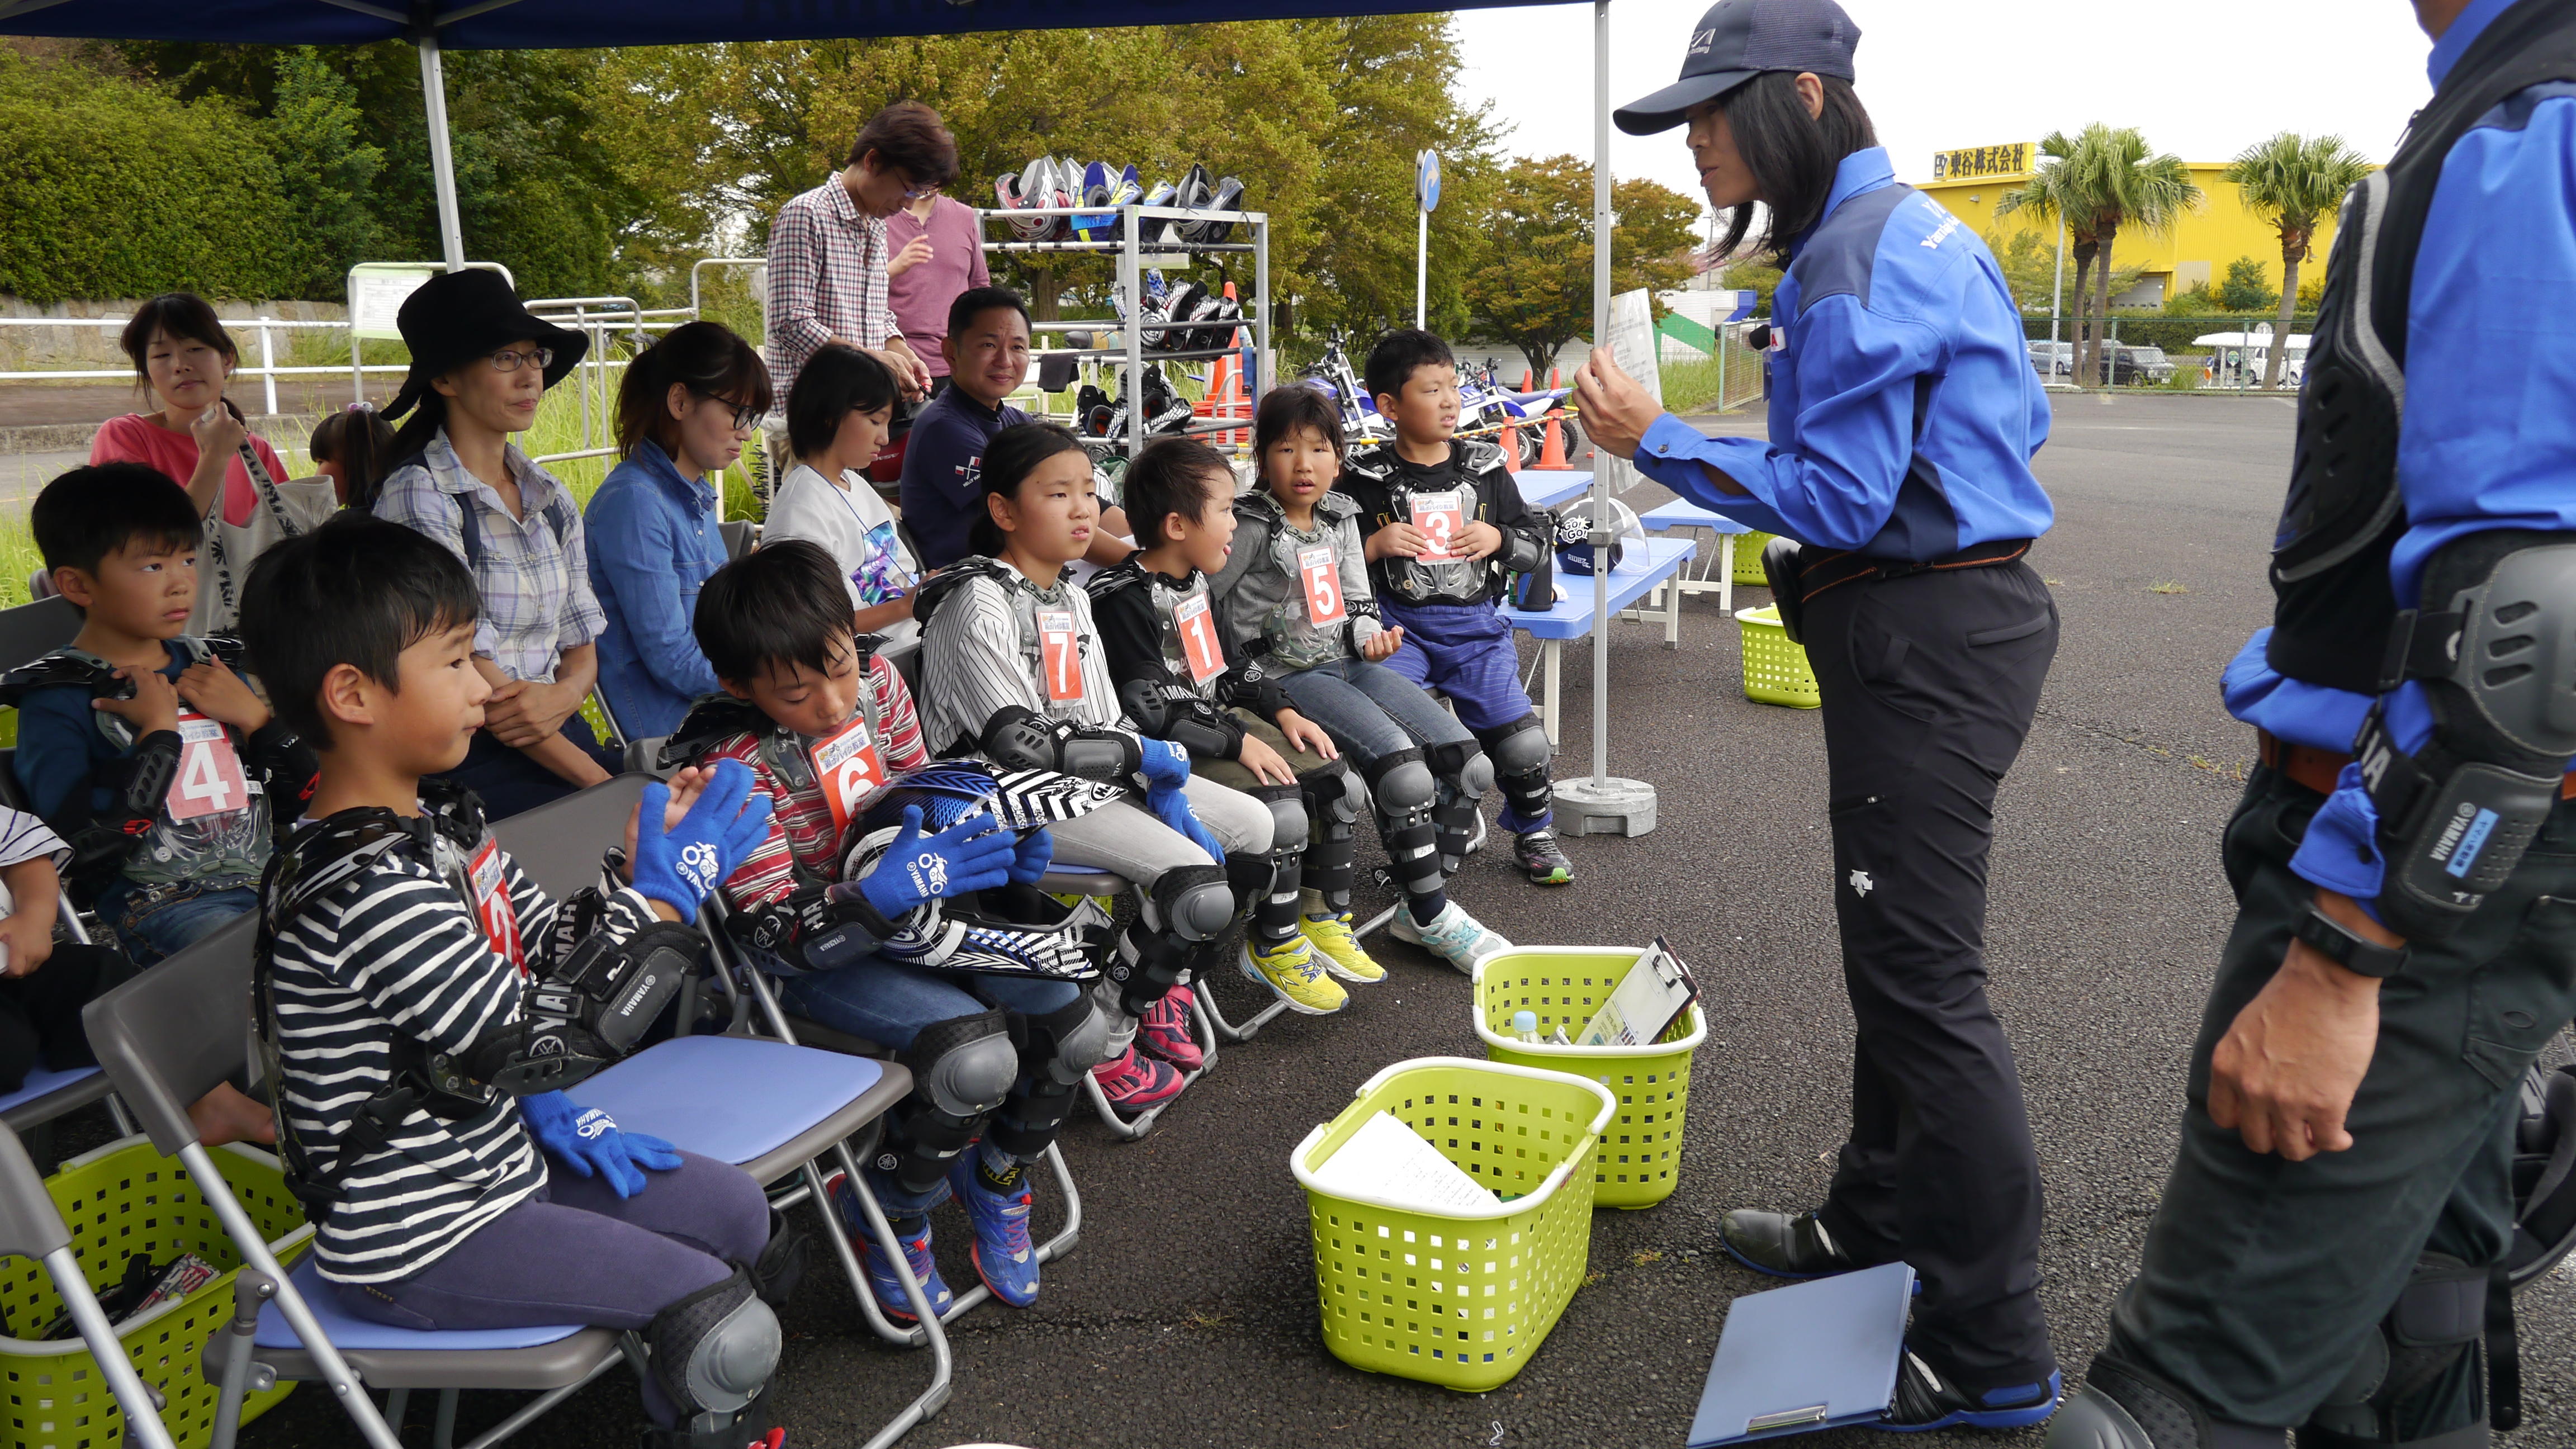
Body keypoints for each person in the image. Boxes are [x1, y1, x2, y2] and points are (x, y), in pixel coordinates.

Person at [2039, 4, 2576, 1447]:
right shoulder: (2500, 96)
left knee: (2167, 1407)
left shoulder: (2539, 114)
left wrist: (2348, 951)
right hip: (2456, 853)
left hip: (2425, 876)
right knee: (2417, 1324)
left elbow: (2536, 616)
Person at [1576, 0, 2062, 1427]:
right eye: (1686, 120)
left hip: (1919, 630)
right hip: (1949, 618)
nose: (1698, 142)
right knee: (1895, 965)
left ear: (1804, 93)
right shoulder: (1909, 231)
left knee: (1923, 986)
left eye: (1716, 113)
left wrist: (1652, 437)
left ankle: (1993, 1351)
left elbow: (1849, 497)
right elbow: (2008, 427)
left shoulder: (1849, 260)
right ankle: (1874, 1224)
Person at [235, 514, 790, 1449]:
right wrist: (656, 908)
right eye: (455, 662)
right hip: (417, 1234)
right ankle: (704, 1402)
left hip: (498, 1168)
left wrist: (631, 877)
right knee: (715, 1320)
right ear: (352, 693)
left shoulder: (444, 823)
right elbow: (541, 1045)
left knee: (742, 1216)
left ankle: (702, 1395)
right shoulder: (365, 883)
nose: (482, 684)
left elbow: (545, 947)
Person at [663, 540, 1112, 1318]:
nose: (834, 704)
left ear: (850, 635)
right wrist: (873, 897)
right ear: (740, 685)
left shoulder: (878, 684)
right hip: (817, 952)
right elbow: (772, 934)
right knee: (973, 1060)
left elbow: (928, 794)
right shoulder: (732, 766)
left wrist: (997, 848)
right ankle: (892, 1209)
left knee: (1076, 1025)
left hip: (922, 909)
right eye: (798, 694)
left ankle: (998, 1175)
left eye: (838, 668)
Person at [913, 422, 1274, 1114]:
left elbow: (1106, 720)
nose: (1084, 509)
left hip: (1081, 784)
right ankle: (1108, 1035)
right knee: (1197, 887)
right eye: (1059, 494)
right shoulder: (975, 600)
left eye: (1088, 491)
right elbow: (1019, 747)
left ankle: (1160, 989)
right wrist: (1142, 758)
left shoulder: (1071, 595)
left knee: (1256, 828)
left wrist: (1151, 771)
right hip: (1003, 803)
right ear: (1003, 511)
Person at [0, 466, 290, 1145]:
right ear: (76, 585)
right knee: (278, 959)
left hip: (275, 880)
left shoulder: (219, 666)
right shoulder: (62, 698)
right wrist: (156, 736)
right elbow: (80, 843)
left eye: (188, 557)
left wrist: (260, 723)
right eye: (152, 563)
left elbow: (308, 787)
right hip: (165, 907)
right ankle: (246, 1106)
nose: (181, 579)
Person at [1209, 387, 1512, 977]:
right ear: (1261, 455)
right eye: (1286, 449)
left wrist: (1373, 634)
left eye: (1320, 449)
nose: (1304, 465)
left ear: (1339, 456)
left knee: (1470, 764)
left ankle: (1414, 905)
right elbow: (1206, 610)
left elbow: (1356, 602)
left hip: (1349, 663)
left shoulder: (1341, 516)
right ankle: (1432, 912)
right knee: (1402, 773)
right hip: (1282, 675)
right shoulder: (1246, 525)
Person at [1090, 437, 1382, 1014]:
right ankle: (1271, 943)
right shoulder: (1122, 596)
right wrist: (1238, 740)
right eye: (1225, 510)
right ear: (1177, 524)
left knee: (1339, 784)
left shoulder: (1198, 581)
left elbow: (1233, 666)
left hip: (1217, 724)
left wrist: (1281, 708)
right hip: (1166, 751)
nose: (1235, 521)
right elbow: (1152, 707)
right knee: (1284, 809)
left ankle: (1319, 917)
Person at [371, 268, 619, 820]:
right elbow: (478, 680)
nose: (529, 376)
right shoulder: (419, 498)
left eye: (535, 357)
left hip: (556, 724)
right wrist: (607, 787)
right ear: (445, 381)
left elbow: (581, 637)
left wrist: (566, 695)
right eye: (506, 358)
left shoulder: (549, 496)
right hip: (472, 752)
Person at [1341, 328, 1569, 887]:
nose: (1449, 401)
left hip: (1476, 633)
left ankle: (1535, 832)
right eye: (1431, 390)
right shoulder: (1363, 480)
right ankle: (1414, 849)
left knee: (1524, 745)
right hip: (1398, 633)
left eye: (1453, 387)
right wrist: (1373, 547)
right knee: (1398, 743)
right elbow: (1329, 559)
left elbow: (1537, 546)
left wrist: (1499, 540)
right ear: (1389, 406)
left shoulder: (1487, 469)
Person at [89, 293, 333, 633]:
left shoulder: (256, 452)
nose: (180, 364)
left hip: (256, 630)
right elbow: (151, 545)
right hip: (167, 634)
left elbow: (289, 543)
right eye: (161, 355)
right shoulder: (126, 437)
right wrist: (215, 458)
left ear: (227, 359)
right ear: (147, 370)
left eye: (195, 349)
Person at [586, 321, 773, 741]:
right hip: (675, 735)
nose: (745, 432)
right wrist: (768, 686)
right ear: (679, 401)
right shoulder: (635, 502)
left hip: (716, 711)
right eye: (736, 413)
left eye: (752, 417)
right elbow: (671, 656)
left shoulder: (692, 495)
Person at [900, 287, 1137, 574]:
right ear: (951, 352)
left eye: (1017, 347)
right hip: (976, 586)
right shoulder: (944, 429)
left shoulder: (1018, 422)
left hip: (1034, 570)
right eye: (989, 345)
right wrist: (1142, 565)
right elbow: (1035, 517)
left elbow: (1083, 498)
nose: (1005, 360)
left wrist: (1142, 542)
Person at [764, 100, 954, 414]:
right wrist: (872, 359)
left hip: (859, 411)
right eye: (909, 191)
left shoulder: (877, 225)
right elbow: (791, 323)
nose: (909, 205)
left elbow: (876, 316)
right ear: (873, 161)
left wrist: (901, 352)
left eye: (919, 196)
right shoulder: (807, 214)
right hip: (809, 417)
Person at [765, 344, 920, 642]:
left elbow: (902, 576)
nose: (885, 438)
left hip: (912, 641)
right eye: (875, 421)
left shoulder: (857, 485)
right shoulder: (800, 510)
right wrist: (905, 606)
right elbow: (813, 628)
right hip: (870, 666)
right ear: (831, 416)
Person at [0, 805, 135, 1093]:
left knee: (105, 978)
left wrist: (34, 918)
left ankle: (208, 1103)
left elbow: (24, 857)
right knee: (9, 1048)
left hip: (13, 956)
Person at [886, 186, 991, 397]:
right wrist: (895, 267)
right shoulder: (879, 215)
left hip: (957, 366)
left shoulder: (963, 215)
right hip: (894, 366)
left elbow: (980, 288)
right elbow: (855, 290)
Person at [309, 404, 396, 511]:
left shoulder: (346, 526)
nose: (316, 475)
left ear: (354, 463)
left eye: (321, 462)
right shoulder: (399, 508)